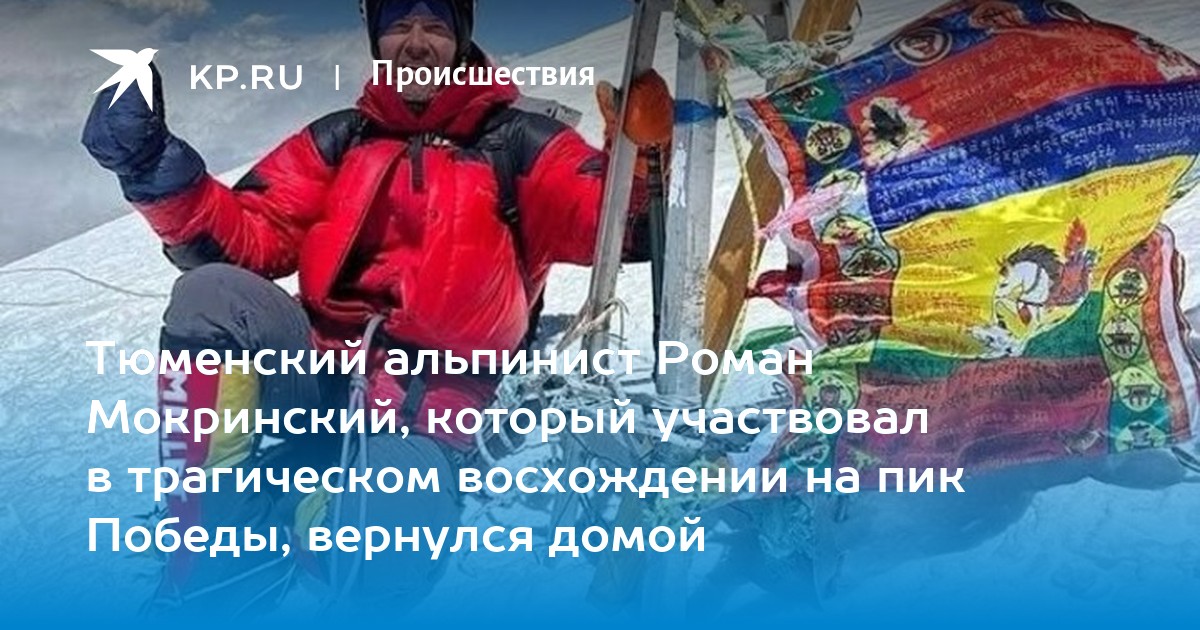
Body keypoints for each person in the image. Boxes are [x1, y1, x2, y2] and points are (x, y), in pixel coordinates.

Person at [82, 0, 674, 612]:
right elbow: (248, 236)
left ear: (461, 39)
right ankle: (210, 556)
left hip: (430, 407)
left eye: (435, 27)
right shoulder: (345, 138)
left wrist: (642, 159)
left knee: (380, 562)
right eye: (398, 26)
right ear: (377, 40)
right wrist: (152, 167)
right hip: (318, 380)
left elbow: (615, 225)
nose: (416, 42)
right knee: (212, 296)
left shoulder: (520, 142)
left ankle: (296, 513)